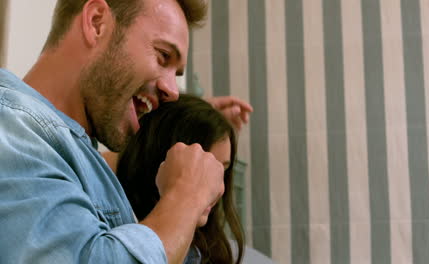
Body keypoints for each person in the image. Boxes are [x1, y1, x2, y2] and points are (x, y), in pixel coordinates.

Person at [0, 0, 252, 263]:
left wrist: (195, 124)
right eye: (162, 55)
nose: (173, 91)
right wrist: (185, 197)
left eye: (175, 74)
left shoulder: (72, 150)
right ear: (97, 22)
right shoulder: (12, 128)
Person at [116, 94, 245, 264]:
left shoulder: (207, 250)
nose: (218, 189)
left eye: (223, 169)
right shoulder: (116, 244)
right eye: (203, 170)